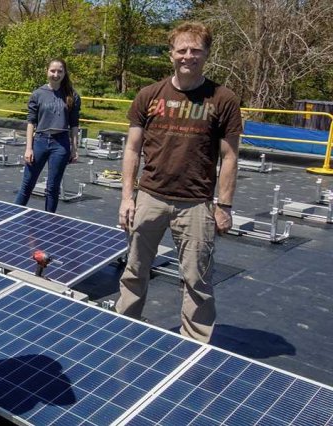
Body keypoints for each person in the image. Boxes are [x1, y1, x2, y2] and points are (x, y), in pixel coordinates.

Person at [117, 22, 242, 343]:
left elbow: (229, 157)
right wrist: (127, 198)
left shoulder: (223, 99)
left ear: (207, 53)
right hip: (150, 198)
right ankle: (123, 328)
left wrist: (225, 205)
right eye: (182, 50)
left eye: (196, 50)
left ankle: (195, 345)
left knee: (197, 279)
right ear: (171, 54)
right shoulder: (149, 95)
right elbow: (132, 149)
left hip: (196, 204)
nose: (188, 56)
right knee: (134, 270)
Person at [13, 59, 81, 213]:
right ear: (47, 71)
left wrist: (74, 148)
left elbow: (74, 125)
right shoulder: (38, 94)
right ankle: (13, 214)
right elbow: (31, 122)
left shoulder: (72, 96)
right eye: (53, 71)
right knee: (27, 184)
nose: (56, 74)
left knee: (53, 187)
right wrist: (28, 148)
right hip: (40, 141)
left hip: (61, 144)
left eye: (60, 71)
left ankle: (49, 219)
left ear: (65, 73)